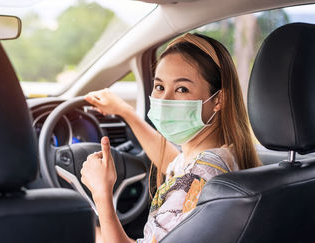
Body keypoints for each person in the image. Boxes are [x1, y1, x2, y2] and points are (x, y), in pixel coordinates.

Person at [81, 33, 262, 243]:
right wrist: (126, 112)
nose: (165, 100)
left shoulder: (199, 177)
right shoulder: (224, 157)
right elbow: (174, 165)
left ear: (218, 99)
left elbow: (188, 179)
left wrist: (101, 193)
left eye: (182, 89)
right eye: (159, 87)